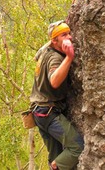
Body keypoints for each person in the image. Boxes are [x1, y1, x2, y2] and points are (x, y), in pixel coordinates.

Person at [30, 20, 84, 170]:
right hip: (48, 113)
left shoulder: (46, 52)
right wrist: (69, 57)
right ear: (54, 41)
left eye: (69, 33)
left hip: (39, 112)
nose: (70, 37)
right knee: (77, 147)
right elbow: (54, 81)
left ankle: (54, 165)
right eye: (64, 35)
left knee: (56, 154)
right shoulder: (56, 57)